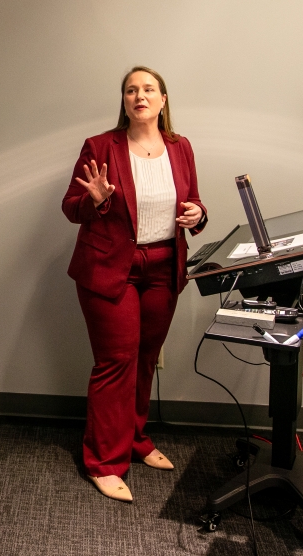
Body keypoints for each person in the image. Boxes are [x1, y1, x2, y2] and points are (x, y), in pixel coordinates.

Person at [62, 66, 207, 502]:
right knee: (116, 362)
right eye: (130, 90)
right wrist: (96, 200)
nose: (139, 96)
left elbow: (194, 199)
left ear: (163, 100)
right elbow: (71, 208)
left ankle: (136, 439)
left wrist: (197, 214)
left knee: (145, 358)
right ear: (124, 101)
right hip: (112, 269)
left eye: (148, 89)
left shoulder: (181, 147)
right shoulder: (100, 145)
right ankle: (104, 461)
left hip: (164, 267)